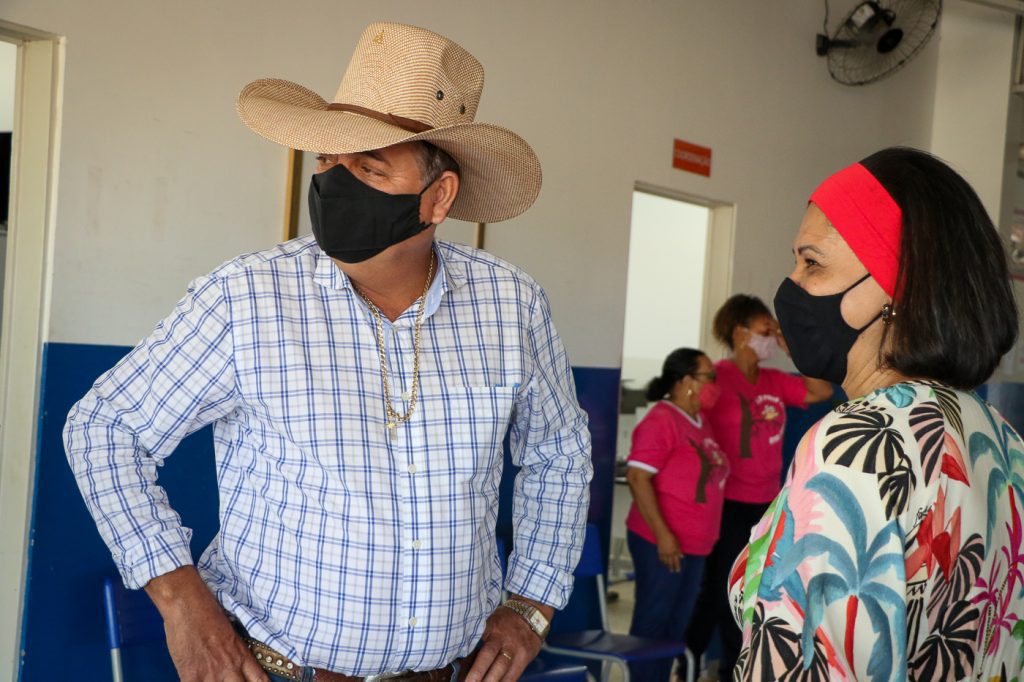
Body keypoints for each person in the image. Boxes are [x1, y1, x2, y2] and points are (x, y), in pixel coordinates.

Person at [63, 22, 593, 682]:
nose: (336, 184)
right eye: (326, 161)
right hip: (278, 669)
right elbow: (105, 429)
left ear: (439, 196)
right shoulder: (247, 297)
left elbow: (558, 453)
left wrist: (532, 604)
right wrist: (182, 602)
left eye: (369, 167)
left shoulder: (510, 305)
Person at [729, 147, 1024, 680]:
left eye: (812, 263)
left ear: (897, 285)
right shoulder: (1000, 438)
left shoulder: (858, 442)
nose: (790, 287)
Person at [683, 295, 833, 680]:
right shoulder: (717, 377)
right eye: (766, 330)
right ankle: (695, 660)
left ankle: (734, 663)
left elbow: (821, 392)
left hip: (767, 502)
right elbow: (688, 419)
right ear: (740, 333)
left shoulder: (772, 381)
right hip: (727, 502)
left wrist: (790, 345)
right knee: (721, 587)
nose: (771, 338)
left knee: (757, 587)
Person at [625, 348, 729, 681]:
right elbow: (637, 477)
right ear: (685, 381)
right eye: (708, 377)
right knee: (653, 623)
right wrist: (663, 535)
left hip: (694, 546)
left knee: (675, 627)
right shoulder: (662, 419)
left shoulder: (701, 421)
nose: (714, 384)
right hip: (662, 544)